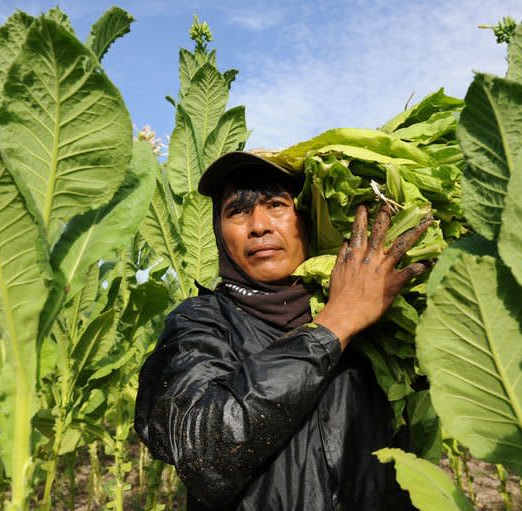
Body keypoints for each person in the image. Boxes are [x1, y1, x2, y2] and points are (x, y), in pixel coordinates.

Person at [134, 151, 431, 510]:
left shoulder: (381, 328)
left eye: (276, 204)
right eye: (237, 211)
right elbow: (202, 451)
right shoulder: (199, 323)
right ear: (219, 231)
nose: (258, 225)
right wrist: (334, 325)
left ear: (308, 218)